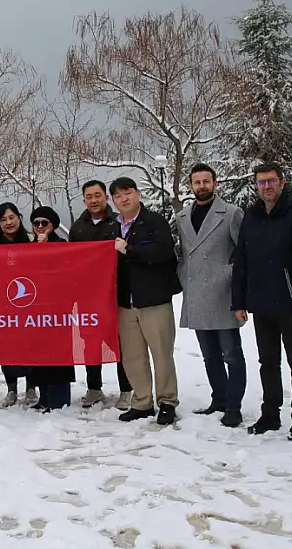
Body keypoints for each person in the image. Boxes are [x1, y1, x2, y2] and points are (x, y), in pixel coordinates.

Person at [231, 163, 292, 440]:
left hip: (290, 304)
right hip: (261, 302)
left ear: (282, 182)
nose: (266, 187)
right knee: (267, 361)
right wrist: (239, 300)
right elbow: (241, 260)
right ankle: (270, 414)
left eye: (271, 181)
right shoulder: (252, 217)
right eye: (261, 183)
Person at [175, 164, 246, 428]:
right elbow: (183, 252)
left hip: (223, 292)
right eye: (197, 182)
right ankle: (219, 397)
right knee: (210, 355)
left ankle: (234, 406)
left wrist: (231, 275)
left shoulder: (230, 213)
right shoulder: (182, 217)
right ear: (191, 186)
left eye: (206, 181)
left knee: (232, 354)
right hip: (196, 293)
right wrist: (184, 274)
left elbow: (243, 251)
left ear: (215, 184)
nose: (202, 186)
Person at [109, 177, 182, 425]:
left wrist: (130, 250)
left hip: (154, 300)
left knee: (161, 353)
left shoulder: (154, 222)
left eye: (127, 193)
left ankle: (167, 402)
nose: (123, 199)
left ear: (137, 194)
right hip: (125, 303)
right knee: (132, 356)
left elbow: (163, 253)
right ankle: (141, 402)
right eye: (118, 196)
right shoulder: (112, 227)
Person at [68, 180, 133, 410]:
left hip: (116, 293)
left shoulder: (118, 222)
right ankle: (94, 387)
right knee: (91, 343)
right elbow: (72, 262)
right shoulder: (77, 228)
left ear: (105, 197)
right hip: (88, 296)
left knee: (120, 342)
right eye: (89, 196)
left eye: (98, 195)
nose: (94, 200)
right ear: (84, 200)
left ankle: (127, 389)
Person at [0, 202, 37, 408]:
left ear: (19, 218)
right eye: (3, 219)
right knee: (6, 347)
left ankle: (31, 387)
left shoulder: (32, 240)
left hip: (30, 303)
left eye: (11, 217)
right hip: (3, 306)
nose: (8, 222)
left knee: (31, 346)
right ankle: (11, 388)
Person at [28, 206, 76, 412]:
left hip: (57, 308)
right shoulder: (28, 247)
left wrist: (46, 247)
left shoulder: (61, 244)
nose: (40, 227)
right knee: (39, 354)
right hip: (35, 308)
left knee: (58, 354)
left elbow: (63, 269)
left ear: (53, 225)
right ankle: (44, 395)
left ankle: (59, 398)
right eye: (36, 223)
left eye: (44, 223)